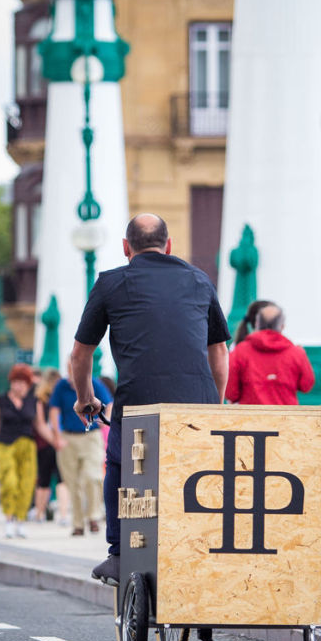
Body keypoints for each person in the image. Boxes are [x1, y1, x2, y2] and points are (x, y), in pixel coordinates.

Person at [70, 213, 230, 585]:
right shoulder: (199, 279)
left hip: (140, 399)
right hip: (198, 403)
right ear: (169, 245)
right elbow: (219, 352)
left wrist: (86, 399)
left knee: (120, 465)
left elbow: (81, 354)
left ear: (126, 248)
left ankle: (119, 553)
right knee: (200, 473)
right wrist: (215, 407)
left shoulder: (111, 283)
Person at [49, 363, 112, 536]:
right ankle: (78, 523)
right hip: (68, 438)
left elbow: (109, 404)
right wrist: (57, 436)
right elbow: (54, 411)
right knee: (72, 483)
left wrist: (102, 423)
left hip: (90, 437)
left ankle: (93, 516)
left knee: (93, 477)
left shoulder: (94, 383)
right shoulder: (61, 386)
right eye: (70, 370)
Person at [225, 302, 315, 405]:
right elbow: (306, 386)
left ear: (257, 324)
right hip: (287, 418)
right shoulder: (297, 353)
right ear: (282, 326)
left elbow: (231, 393)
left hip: (251, 418)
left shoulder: (239, 351)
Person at [0, 364, 38, 538]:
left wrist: (57, 440)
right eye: (16, 382)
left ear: (28, 384)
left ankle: (21, 521)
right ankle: (9, 519)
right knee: (9, 482)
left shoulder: (33, 401)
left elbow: (40, 426)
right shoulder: (0, 400)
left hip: (27, 446)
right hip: (5, 444)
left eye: (23, 382)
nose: (19, 386)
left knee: (26, 484)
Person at [33, 368, 69, 524]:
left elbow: (40, 424)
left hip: (46, 443)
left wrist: (53, 440)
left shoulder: (40, 399)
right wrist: (58, 440)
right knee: (62, 480)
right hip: (60, 442)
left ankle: (39, 513)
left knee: (44, 479)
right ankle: (62, 515)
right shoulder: (60, 398)